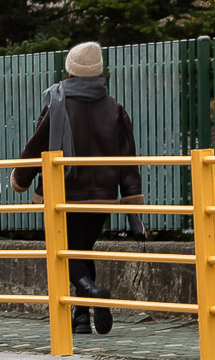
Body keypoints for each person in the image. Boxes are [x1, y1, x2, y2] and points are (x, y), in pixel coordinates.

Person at [14, 41, 141, 336]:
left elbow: (37, 146)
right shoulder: (114, 108)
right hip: (104, 199)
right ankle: (81, 318)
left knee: (63, 253)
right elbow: (128, 157)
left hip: (65, 195)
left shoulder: (58, 103)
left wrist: (22, 179)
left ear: (70, 70)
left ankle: (91, 291)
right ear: (100, 72)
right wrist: (131, 198)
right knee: (83, 251)